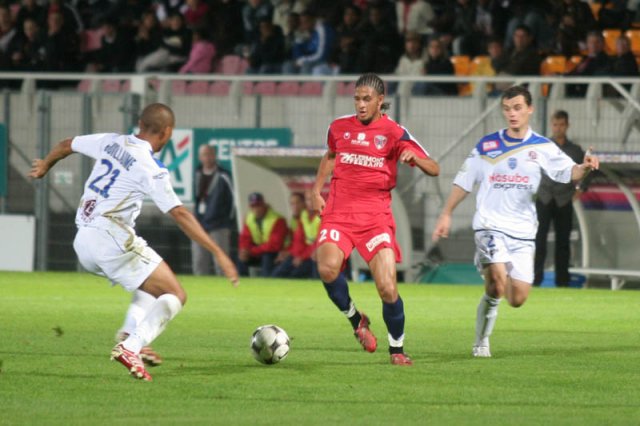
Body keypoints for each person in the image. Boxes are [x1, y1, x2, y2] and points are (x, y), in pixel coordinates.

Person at [29, 103, 239, 381]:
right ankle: (131, 347)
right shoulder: (150, 167)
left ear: (141, 123)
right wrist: (219, 253)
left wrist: (45, 164)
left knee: (150, 284)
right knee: (175, 294)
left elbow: (67, 144)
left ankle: (130, 331)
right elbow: (179, 213)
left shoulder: (111, 141)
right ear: (167, 132)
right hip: (111, 236)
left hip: (83, 241)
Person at [432, 86, 599, 358]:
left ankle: (488, 268)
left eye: (518, 108)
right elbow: (464, 182)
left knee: (517, 298)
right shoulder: (486, 145)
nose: (512, 114)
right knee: (497, 284)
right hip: (489, 225)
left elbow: (568, 172)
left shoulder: (542, 146)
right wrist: (447, 212)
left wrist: (585, 166)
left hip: (522, 231)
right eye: (508, 109)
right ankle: (481, 341)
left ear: (530, 109)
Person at [311, 73, 440, 366]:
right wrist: (316, 189)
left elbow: (434, 168)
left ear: (381, 101)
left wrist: (413, 157)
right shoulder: (339, 127)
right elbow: (330, 155)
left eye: (367, 99)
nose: (360, 104)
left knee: (387, 287)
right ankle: (357, 321)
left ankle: (397, 349)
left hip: (375, 218)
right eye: (357, 98)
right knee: (327, 268)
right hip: (339, 214)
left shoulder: (395, 132)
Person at [534, 110, 585, 287]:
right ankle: (535, 279)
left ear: (567, 125)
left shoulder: (576, 150)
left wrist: (580, 188)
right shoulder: (543, 147)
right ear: (551, 124)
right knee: (539, 241)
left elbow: (586, 171)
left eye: (561, 124)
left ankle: (562, 281)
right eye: (555, 124)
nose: (558, 128)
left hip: (564, 199)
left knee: (563, 243)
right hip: (544, 197)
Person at [192, 144, 236, 276]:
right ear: (200, 157)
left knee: (221, 262)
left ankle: (223, 288)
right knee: (199, 262)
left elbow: (233, 200)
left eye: (210, 154)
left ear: (215, 156)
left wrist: (227, 222)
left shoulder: (224, 176)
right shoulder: (196, 174)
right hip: (199, 225)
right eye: (205, 154)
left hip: (219, 224)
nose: (208, 157)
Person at [237, 192, 288, 277]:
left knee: (267, 257)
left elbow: (275, 245)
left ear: (264, 205)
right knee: (241, 257)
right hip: (257, 250)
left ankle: (266, 283)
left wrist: (252, 251)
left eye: (258, 205)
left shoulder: (277, 219)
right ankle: (241, 284)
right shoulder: (249, 218)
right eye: (253, 206)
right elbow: (244, 238)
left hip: (274, 251)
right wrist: (244, 250)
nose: (256, 209)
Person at [271, 191, 320, 279]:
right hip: (301, 253)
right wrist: (293, 254)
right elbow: (298, 240)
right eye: (308, 200)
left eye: (297, 203)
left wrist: (301, 256)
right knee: (277, 274)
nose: (311, 202)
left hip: (314, 252)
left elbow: (319, 240)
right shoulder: (303, 216)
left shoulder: (322, 216)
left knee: (295, 275)